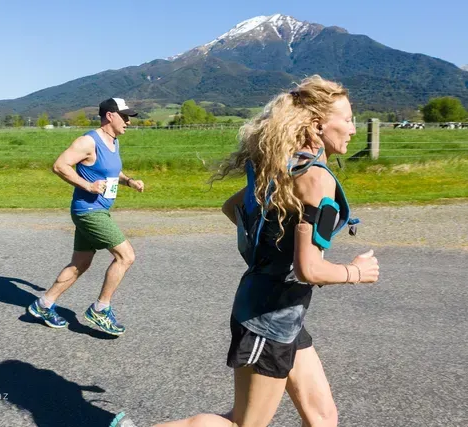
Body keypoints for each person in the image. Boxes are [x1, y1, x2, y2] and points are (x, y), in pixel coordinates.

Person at [155, 75, 380, 427]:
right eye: (348, 119)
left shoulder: (283, 167)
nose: (353, 128)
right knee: (243, 424)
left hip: (281, 312)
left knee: (323, 418)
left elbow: (234, 207)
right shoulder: (316, 178)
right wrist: (356, 273)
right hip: (268, 320)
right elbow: (309, 269)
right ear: (318, 125)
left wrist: (269, 250)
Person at [28, 97, 144, 337]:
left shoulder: (113, 142)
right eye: (124, 117)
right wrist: (87, 186)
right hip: (89, 212)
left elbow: (112, 171)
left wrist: (129, 181)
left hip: (97, 210)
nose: (128, 122)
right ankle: (101, 309)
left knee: (80, 264)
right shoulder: (88, 141)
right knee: (126, 256)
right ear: (110, 115)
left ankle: (43, 305)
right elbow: (60, 166)